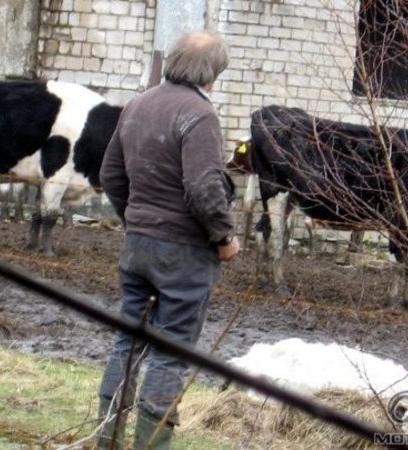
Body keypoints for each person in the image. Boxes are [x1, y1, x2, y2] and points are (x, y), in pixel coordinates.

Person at [96, 30, 240, 450]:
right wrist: (224, 237)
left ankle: (106, 437)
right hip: (183, 253)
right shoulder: (199, 114)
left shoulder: (138, 104)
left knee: (128, 339)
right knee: (170, 350)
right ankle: (150, 444)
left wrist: (135, 220)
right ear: (213, 71)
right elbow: (203, 188)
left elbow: (110, 175)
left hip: (138, 245)